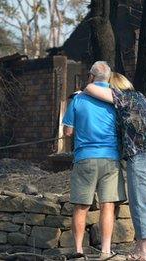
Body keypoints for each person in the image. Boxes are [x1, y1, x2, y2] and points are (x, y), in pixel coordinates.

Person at [84, 72, 146, 261]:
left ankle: (144, 253)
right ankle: (141, 248)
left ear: (114, 87)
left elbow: (90, 89)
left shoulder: (124, 98)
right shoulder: (139, 97)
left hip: (142, 157)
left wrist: (86, 88)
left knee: (140, 204)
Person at [62, 61, 126, 259]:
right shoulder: (116, 99)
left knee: (81, 206)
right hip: (110, 158)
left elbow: (68, 132)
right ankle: (106, 251)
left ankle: (79, 251)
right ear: (108, 78)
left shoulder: (78, 100)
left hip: (85, 158)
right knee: (108, 205)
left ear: (90, 77)